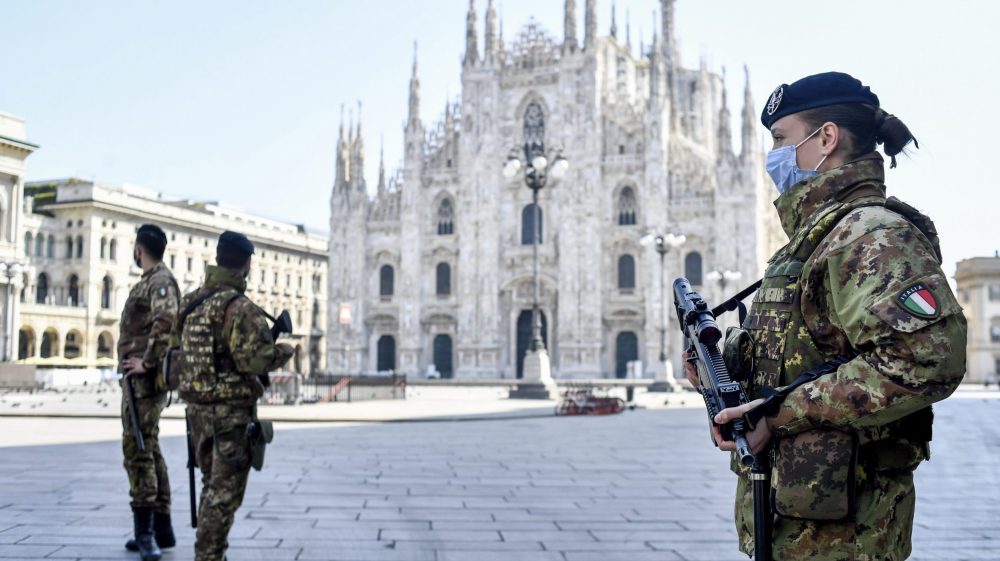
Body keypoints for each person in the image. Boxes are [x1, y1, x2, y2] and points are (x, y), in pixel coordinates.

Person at [686, 72, 967, 559]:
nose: (772, 156)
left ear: (826, 138)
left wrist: (776, 416)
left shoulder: (868, 234)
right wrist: (723, 371)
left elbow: (926, 358)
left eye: (780, 140)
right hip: (798, 520)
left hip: (848, 535)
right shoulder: (821, 237)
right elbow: (807, 351)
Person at [175, 231, 293, 561]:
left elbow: (176, 349)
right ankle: (208, 556)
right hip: (229, 416)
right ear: (247, 264)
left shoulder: (189, 302)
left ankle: (213, 554)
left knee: (211, 485)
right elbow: (253, 360)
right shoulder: (241, 308)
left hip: (196, 413)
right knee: (223, 496)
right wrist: (281, 352)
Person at [118, 224, 179, 561]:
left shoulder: (159, 281)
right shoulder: (152, 280)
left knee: (138, 449)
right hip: (136, 383)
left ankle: (146, 534)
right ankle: (161, 528)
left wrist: (147, 362)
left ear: (139, 249)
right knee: (150, 448)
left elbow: (166, 321)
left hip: (143, 383)